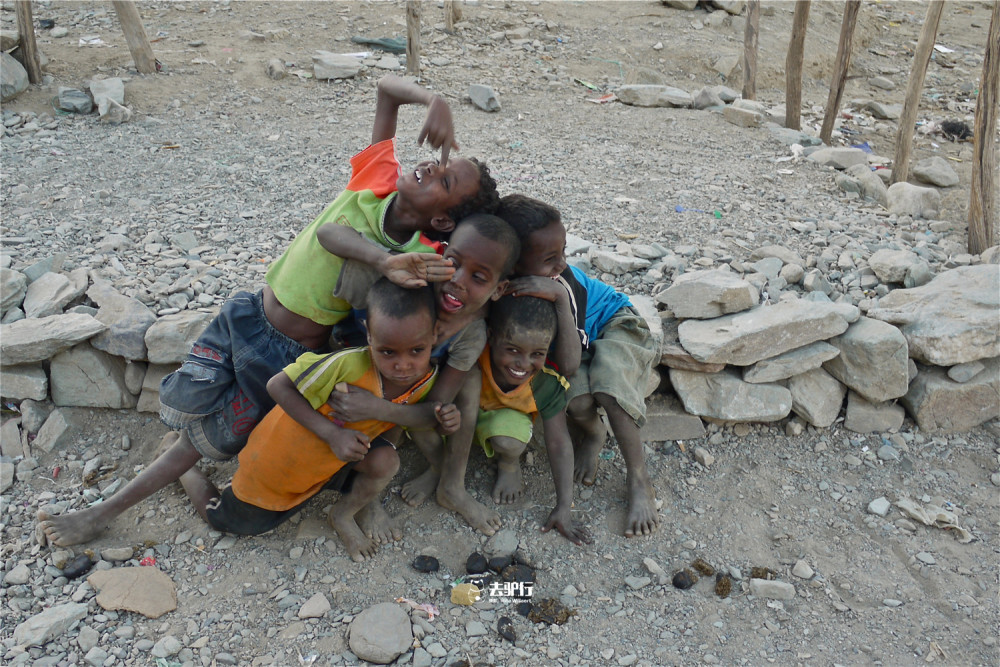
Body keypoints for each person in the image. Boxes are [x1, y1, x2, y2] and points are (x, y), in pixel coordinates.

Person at [37, 74, 500, 547]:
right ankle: (176, 450)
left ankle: (103, 511)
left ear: (442, 221)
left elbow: (467, 281)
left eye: (445, 178)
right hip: (246, 313)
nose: (429, 164)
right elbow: (384, 92)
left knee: (206, 443)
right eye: (438, 161)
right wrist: (433, 99)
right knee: (184, 407)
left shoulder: (422, 254)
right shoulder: (375, 180)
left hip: (286, 354)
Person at [177, 280, 457, 562]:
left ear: (435, 336)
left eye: (416, 351)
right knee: (228, 522)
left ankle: (343, 515)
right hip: (283, 461)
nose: (403, 365)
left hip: (338, 460)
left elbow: (405, 419)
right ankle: (184, 469)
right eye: (388, 352)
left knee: (387, 462)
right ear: (370, 336)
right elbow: (277, 386)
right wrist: (332, 435)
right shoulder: (345, 365)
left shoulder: (425, 378)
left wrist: (446, 418)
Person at [324, 214, 520, 536]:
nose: (458, 279)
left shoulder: (470, 333)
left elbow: (436, 409)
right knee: (370, 383)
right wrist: (384, 262)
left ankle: (451, 484)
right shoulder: (404, 279)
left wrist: (383, 410)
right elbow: (328, 232)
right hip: (358, 380)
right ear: (441, 253)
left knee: (468, 382)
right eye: (453, 262)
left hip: (409, 393)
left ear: (499, 289)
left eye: (479, 277)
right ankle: (366, 499)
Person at [496, 194, 660, 538]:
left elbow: (569, 364)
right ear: (512, 262)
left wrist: (556, 295)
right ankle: (595, 433)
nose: (562, 264)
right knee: (576, 401)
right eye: (550, 258)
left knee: (609, 385)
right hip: (576, 338)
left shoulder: (561, 285)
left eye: (564, 252)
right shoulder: (504, 278)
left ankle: (639, 477)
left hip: (614, 322)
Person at [475, 294, 591, 545]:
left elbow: (559, 442)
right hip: (463, 412)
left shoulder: (546, 382)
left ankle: (508, 464)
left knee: (509, 441)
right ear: (492, 337)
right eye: (513, 350)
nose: (523, 363)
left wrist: (563, 505)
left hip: (500, 418)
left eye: (536, 353)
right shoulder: (473, 355)